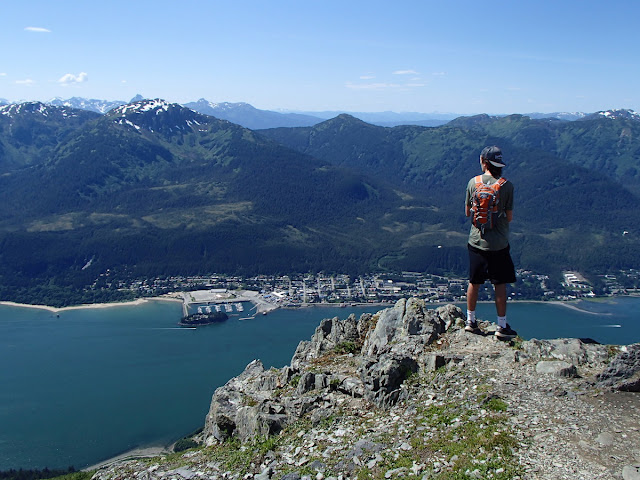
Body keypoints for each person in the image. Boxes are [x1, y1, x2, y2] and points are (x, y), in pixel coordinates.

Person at [464, 146, 517, 339]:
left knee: (474, 282)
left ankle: (470, 321)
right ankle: (501, 326)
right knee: (499, 284)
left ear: (483, 162)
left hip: (476, 241)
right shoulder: (507, 185)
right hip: (499, 243)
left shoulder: (473, 182)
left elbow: (468, 212)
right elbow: (509, 217)